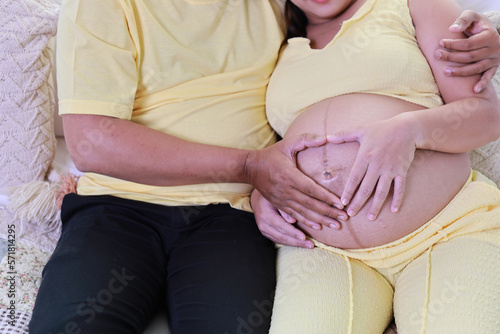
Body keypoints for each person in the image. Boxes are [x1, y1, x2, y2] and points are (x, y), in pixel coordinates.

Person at [29, 0, 500, 333]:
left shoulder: (390, 5)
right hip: (310, 247)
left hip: (430, 229)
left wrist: (484, 42)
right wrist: (257, 179)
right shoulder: (280, 34)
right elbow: (94, 140)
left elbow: (484, 109)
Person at [251, 0, 500, 333]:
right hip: (323, 251)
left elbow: (486, 115)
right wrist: (262, 188)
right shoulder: (273, 42)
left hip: (448, 229)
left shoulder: (413, 5)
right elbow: (265, 150)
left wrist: (411, 130)